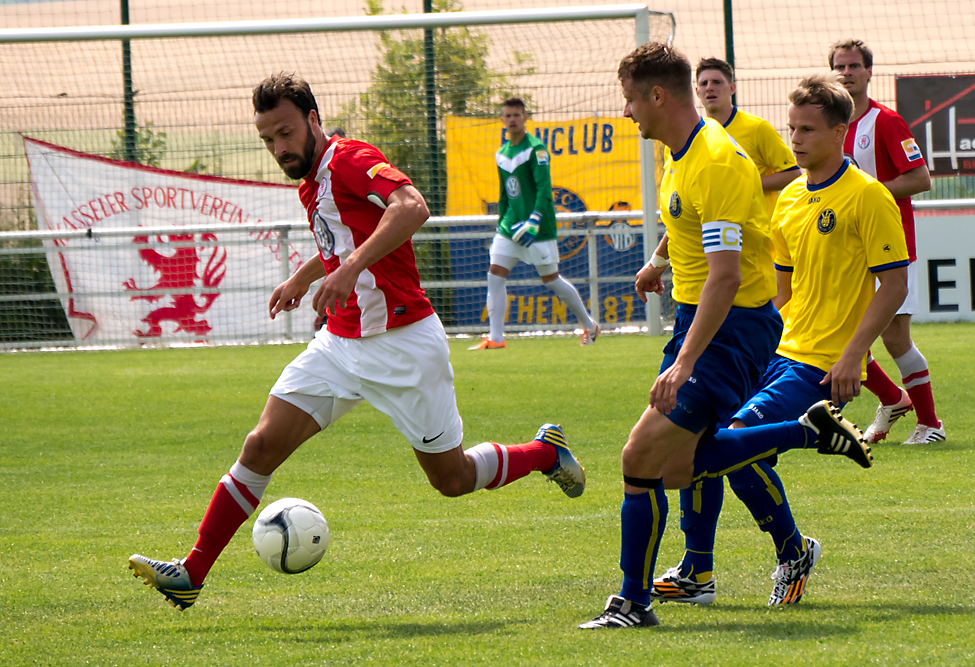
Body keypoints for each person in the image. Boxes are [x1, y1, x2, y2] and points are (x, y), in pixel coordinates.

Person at [127, 73, 587, 611]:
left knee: (452, 478)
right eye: (268, 139)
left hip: (404, 346)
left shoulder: (348, 159)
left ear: (313, 121)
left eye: (286, 132)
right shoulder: (310, 179)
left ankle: (541, 453)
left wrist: (346, 269)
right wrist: (306, 276)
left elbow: (412, 207)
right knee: (260, 447)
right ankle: (192, 573)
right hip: (340, 345)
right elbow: (344, 237)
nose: (279, 148)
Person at [578, 44, 873, 630]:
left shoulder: (714, 160)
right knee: (679, 469)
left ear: (658, 96)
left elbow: (727, 275)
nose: (628, 112)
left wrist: (685, 361)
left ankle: (632, 601)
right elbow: (685, 226)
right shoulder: (678, 154)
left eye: (632, 100)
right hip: (704, 321)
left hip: (730, 327)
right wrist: (659, 265)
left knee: (639, 457)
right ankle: (805, 432)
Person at [652, 74, 909, 609]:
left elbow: (895, 285)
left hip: (821, 361)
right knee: (699, 437)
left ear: (841, 131)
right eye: (791, 128)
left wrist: (854, 355)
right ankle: (698, 571)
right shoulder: (789, 196)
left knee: (737, 442)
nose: (794, 139)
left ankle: (793, 551)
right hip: (774, 350)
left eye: (808, 129)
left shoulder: (868, 196)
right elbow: (782, 288)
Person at [829, 39, 945, 445]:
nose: (847, 73)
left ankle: (930, 424)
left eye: (854, 66)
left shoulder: (886, 122)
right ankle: (893, 398)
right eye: (840, 67)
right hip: (848, 249)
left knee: (894, 337)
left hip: (891, 246)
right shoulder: (833, 128)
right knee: (842, 331)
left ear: (868, 72)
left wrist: (871, 192)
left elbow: (921, 178)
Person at [470, 97, 600, 350]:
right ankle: (496, 339)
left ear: (525, 118)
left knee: (551, 280)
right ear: (501, 120)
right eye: (507, 115)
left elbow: (544, 190)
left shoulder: (537, 149)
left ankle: (589, 325)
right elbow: (504, 193)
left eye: (517, 115)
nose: (512, 119)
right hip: (510, 227)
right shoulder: (501, 153)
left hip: (537, 229)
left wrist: (534, 221)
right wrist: (501, 223)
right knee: (495, 275)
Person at [694, 57, 800, 217]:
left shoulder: (757, 128)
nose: (709, 88)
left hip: (758, 234)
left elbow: (793, 175)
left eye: (717, 82)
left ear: (732, 88)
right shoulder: (696, 135)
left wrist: (746, 183)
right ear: (697, 92)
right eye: (704, 84)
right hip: (715, 234)